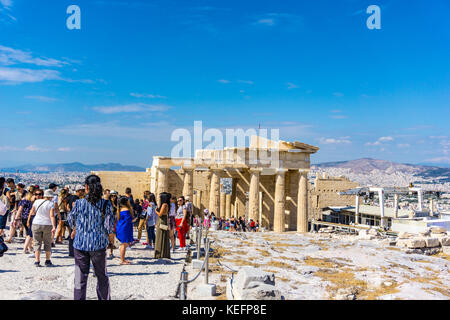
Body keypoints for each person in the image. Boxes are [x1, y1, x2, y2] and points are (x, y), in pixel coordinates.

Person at [67, 175, 115, 300]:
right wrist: (110, 240)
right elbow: (109, 226)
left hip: (80, 244)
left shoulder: (79, 203)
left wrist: (76, 228)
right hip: (98, 245)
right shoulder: (106, 203)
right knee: (102, 276)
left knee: (80, 277)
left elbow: (70, 219)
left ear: (86, 187)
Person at [28, 189, 56, 267]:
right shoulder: (51, 204)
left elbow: (32, 212)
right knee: (47, 242)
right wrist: (54, 226)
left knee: (37, 242)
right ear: (50, 197)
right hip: (47, 224)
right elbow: (52, 215)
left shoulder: (37, 202)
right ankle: (47, 260)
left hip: (36, 223)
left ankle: (37, 261)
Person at [116, 196, 136, 265]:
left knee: (123, 244)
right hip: (125, 228)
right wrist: (134, 220)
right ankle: (122, 260)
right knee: (124, 245)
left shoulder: (120, 209)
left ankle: (122, 258)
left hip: (121, 227)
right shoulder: (126, 209)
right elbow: (128, 220)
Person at [66, 185, 85, 257]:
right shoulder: (76, 198)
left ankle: (72, 252)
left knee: (72, 235)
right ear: (78, 191)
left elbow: (67, 206)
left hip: (71, 217)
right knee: (74, 235)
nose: (83, 192)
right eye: (82, 191)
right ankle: (73, 252)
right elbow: (74, 207)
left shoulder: (71, 197)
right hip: (75, 219)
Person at [154, 192, 171, 259]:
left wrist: (155, 211)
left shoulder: (164, 205)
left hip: (162, 220)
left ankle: (160, 254)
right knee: (163, 236)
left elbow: (160, 214)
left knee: (160, 236)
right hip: (164, 220)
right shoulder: (167, 204)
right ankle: (164, 253)